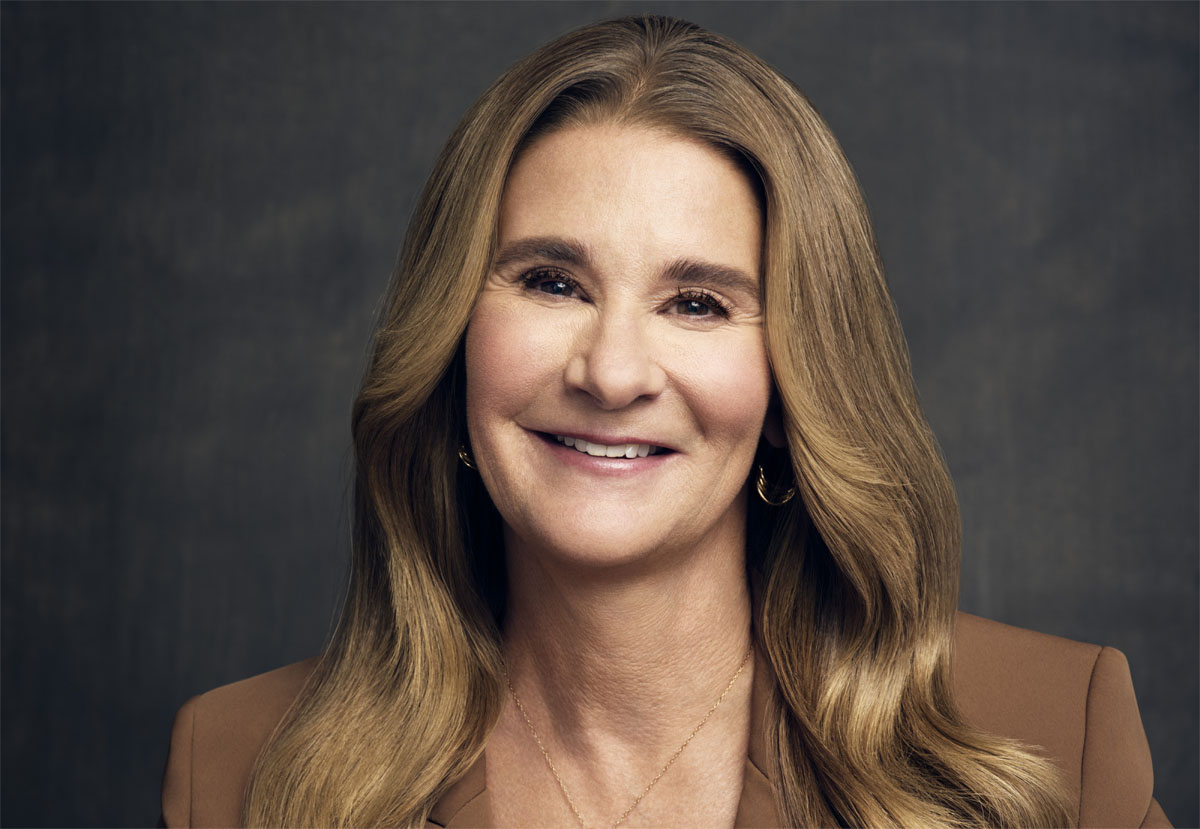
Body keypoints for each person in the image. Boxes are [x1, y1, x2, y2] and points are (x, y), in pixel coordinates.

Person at [160, 15, 1169, 828]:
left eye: (697, 303)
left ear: (792, 390)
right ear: (454, 335)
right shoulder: (239, 770)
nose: (611, 372)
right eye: (552, 281)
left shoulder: (1045, 736)